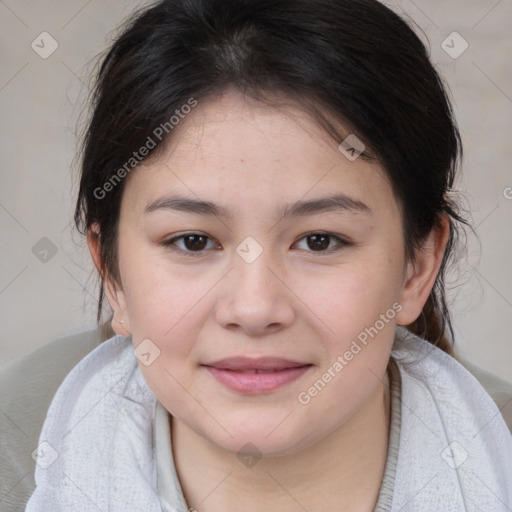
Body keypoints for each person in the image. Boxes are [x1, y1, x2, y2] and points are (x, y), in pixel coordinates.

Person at [1, 0, 512, 510]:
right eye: (193, 241)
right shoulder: (19, 450)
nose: (254, 309)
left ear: (416, 268)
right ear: (111, 272)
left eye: (320, 240)